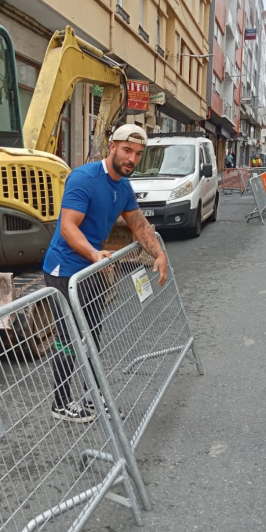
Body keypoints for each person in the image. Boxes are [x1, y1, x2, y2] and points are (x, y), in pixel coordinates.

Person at [43, 123, 168, 422]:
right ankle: (60, 402)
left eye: (138, 154)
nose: (132, 159)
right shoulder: (84, 179)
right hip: (65, 269)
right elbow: (68, 227)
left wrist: (159, 253)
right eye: (127, 151)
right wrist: (94, 254)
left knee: (92, 334)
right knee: (70, 337)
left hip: (92, 268)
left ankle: (90, 394)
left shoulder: (122, 187)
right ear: (111, 147)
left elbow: (138, 225)